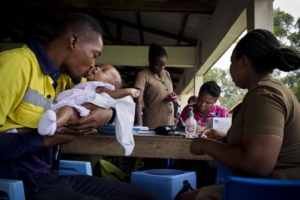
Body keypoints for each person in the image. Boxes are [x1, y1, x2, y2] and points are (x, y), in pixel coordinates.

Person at [0, 13, 155, 200]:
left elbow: (104, 94)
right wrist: (46, 140)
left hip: (51, 176)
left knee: (143, 196)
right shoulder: (16, 64)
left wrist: (108, 113)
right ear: (74, 42)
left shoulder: (64, 79)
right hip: (20, 180)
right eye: (94, 55)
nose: (93, 64)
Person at [179, 29, 300, 200]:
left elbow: (257, 163)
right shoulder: (267, 90)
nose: (230, 68)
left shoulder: (265, 95)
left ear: (243, 61)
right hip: (270, 185)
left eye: (231, 61)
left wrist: (203, 144)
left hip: (275, 189)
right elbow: (259, 141)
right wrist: (224, 137)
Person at [38, 64, 140, 155]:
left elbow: (112, 94)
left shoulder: (101, 87)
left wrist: (128, 91)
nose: (96, 68)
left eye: (103, 71)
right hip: (62, 105)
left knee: (68, 110)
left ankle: (52, 125)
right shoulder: (84, 83)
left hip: (78, 109)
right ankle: (50, 123)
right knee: (61, 111)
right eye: (98, 66)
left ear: (110, 84)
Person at [134, 43, 177, 129]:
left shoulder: (166, 74)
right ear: (150, 61)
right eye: (158, 65)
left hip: (169, 123)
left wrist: (172, 96)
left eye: (164, 65)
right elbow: (137, 100)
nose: (161, 69)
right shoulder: (143, 75)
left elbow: (168, 92)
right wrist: (139, 124)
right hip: (154, 123)